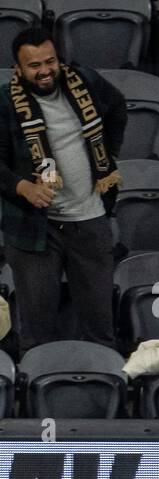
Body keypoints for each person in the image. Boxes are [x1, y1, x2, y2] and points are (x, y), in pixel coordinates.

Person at [0, 28, 125, 353]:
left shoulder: (86, 81)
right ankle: (37, 399)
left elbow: (118, 108)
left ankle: (103, 396)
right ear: (18, 68)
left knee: (101, 328)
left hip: (91, 220)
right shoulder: (4, 102)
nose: (44, 71)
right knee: (37, 334)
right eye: (34, 65)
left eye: (50, 61)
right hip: (33, 229)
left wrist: (106, 159)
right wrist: (22, 186)